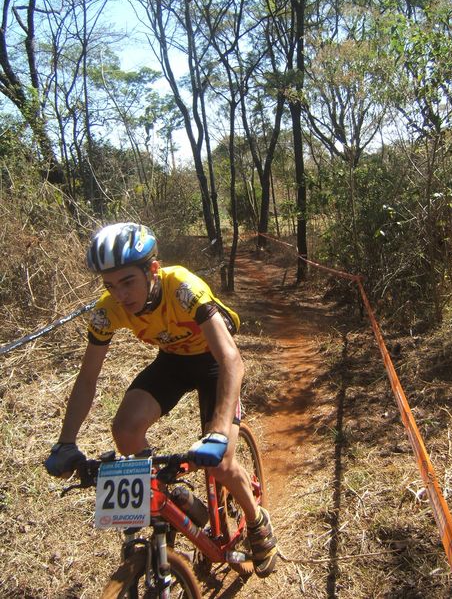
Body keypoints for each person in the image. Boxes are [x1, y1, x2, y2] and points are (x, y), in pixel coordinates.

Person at [44, 222, 277, 578]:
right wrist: (66, 441)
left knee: (221, 463)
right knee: (125, 430)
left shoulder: (183, 288)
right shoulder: (108, 311)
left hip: (215, 362)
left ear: (152, 270)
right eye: (110, 285)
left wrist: (217, 431)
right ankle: (176, 500)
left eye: (127, 282)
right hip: (173, 361)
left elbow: (232, 361)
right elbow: (87, 378)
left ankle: (257, 520)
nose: (120, 295)